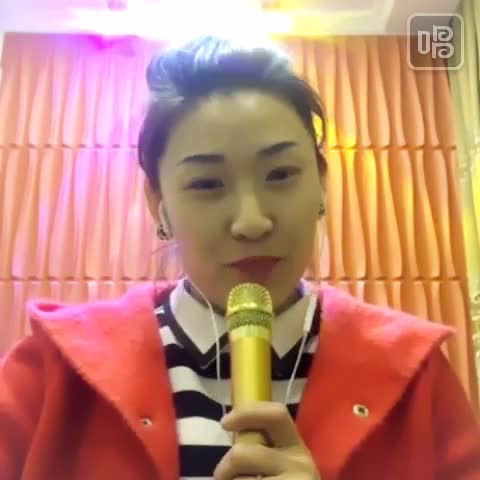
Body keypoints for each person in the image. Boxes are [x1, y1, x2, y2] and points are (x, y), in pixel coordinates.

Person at [1, 35, 479, 480]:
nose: (251, 222)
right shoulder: (51, 370)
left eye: (281, 174)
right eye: (207, 183)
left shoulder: (415, 375)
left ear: (321, 183)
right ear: (158, 204)